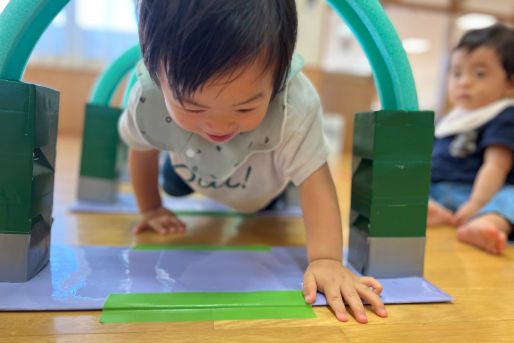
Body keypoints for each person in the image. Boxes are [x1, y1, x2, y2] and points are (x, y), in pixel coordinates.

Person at [118, 0, 387, 323]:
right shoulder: (149, 100)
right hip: (188, 166)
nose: (218, 127)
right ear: (154, 71)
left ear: (279, 76)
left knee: (276, 196)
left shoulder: (294, 108)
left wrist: (327, 260)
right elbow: (142, 148)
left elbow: (316, 181)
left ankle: (273, 191)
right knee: (172, 177)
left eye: (244, 109)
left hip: (264, 183)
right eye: (193, 107)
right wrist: (150, 207)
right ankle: (175, 175)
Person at [427, 24, 514, 254]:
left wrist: (477, 204)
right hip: (436, 189)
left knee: (511, 197)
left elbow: (496, 166)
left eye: (479, 73)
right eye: (457, 72)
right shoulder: (449, 119)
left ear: (510, 83)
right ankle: (433, 210)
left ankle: (488, 223)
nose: (464, 82)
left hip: (480, 193)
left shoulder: (504, 115)